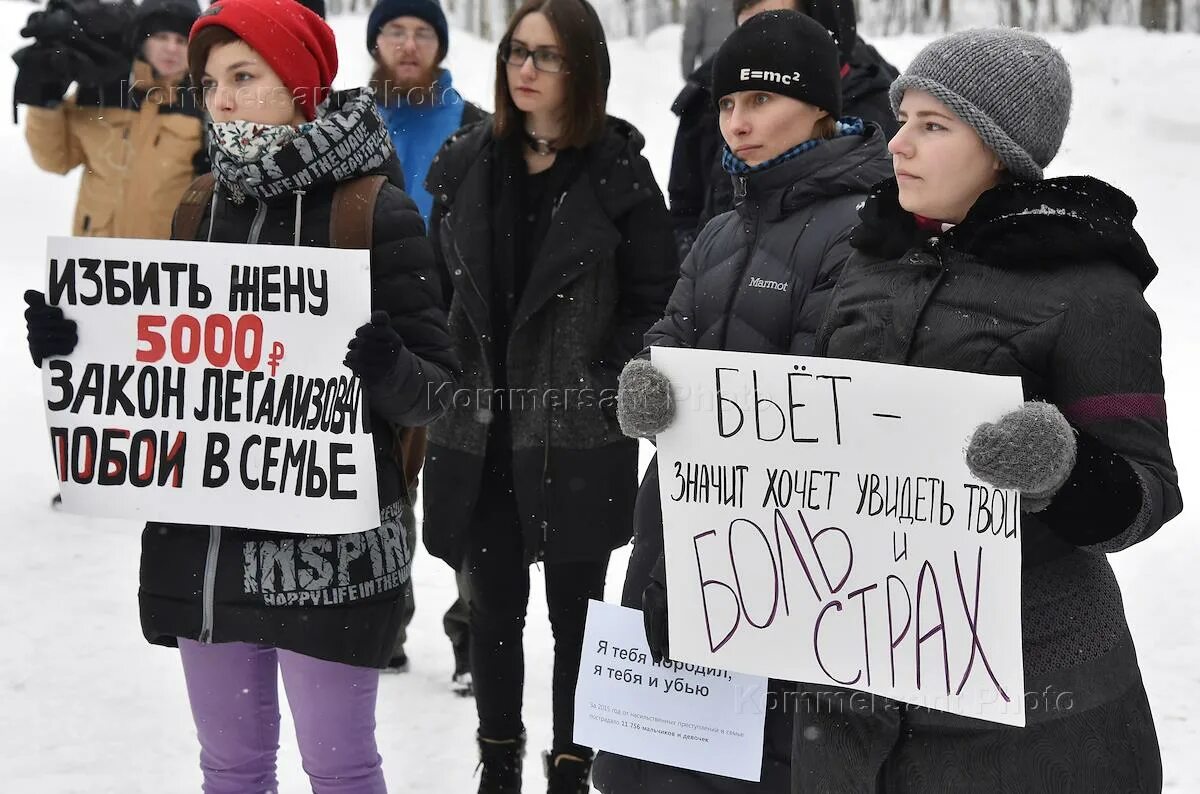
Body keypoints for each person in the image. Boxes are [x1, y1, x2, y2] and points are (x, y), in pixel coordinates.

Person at [24, 0, 457, 790]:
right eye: (210, 81)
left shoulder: (371, 211)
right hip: (210, 548)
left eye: (243, 77)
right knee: (230, 768)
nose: (219, 100)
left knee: (342, 770)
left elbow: (436, 393)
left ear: (299, 85)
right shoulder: (199, 205)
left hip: (327, 558)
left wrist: (390, 370)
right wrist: (73, 351)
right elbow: (167, 367)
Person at [795, 28, 1180, 792]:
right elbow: (806, 426)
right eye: (902, 119)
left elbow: (1148, 492)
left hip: (1029, 718)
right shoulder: (866, 261)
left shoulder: (1090, 288)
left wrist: (1062, 469)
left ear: (1002, 152)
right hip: (857, 699)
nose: (898, 144)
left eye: (933, 126)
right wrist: (682, 414)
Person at [596, 11, 892, 793]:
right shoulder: (724, 228)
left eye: (759, 100)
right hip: (676, 526)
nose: (738, 122)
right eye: (728, 105)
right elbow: (669, 335)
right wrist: (649, 384)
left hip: (786, 556)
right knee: (654, 763)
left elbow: (830, 392)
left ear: (821, 109)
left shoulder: (862, 229)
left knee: (761, 768)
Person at [421, 0, 677, 790]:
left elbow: (655, 306)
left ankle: (572, 763)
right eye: (516, 53)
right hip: (480, 433)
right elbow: (436, 296)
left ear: (585, 71)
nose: (525, 70)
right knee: (493, 612)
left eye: (547, 57)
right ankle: (497, 763)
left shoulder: (618, 175)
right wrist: (447, 382)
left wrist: (601, 391)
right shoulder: (468, 163)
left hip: (575, 436)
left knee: (578, 618)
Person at [367, 0, 488, 687]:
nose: (408, 44)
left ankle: (473, 635)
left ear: (439, 45)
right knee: (386, 487)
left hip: (457, 334)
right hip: (372, 336)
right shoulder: (345, 123)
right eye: (395, 31)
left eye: (422, 32)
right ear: (375, 41)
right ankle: (386, 623)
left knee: (464, 487)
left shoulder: (473, 126)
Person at [667, 0, 898, 258]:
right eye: (748, 28)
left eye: (778, 25)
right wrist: (701, 262)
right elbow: (684, 210)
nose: (737, 124)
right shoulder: (706, 96)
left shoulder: (886, 107)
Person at [19, 0, 206, 240]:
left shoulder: (204, 104)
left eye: (181, 41)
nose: (171, 48)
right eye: (161, 36)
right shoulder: (101, 91)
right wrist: (44, 101)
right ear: (142, 39)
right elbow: (56, 160)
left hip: (162, 262)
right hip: (96, 260)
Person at [680, 0, 735, 80]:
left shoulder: (701, 3)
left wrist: (687, 73)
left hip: (712, 64)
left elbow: (690, 40)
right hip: (742, 63)